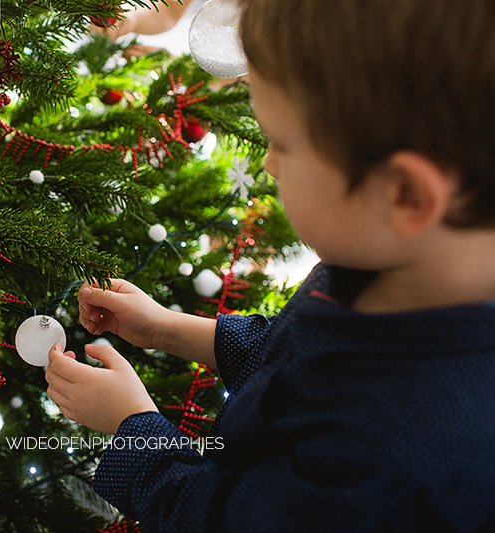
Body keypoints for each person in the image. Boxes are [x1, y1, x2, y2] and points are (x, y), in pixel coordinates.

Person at [46, 0, 495, 530]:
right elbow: (297, 354)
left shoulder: (384, 455)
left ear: (405, 196)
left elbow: (218, 519)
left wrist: (133, 427)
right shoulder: (389, 265)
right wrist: (170, 330)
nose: (268, 163)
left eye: (281, 143)